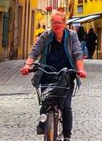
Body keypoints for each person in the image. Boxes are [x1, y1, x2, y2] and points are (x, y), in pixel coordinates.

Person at [21, 11, 87, 140]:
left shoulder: (72, 35)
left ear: (64, 24)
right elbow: (35, 51)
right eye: (54, 22)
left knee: (66, 106)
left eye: (59, 22)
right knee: (46, 103)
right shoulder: (46, 36)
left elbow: (77, 53)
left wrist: (80, 70)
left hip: (66, 76)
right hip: (47, 74)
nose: (56, 25)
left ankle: (67, 135)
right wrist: (27, 66)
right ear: (51, 23)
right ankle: (43, 123)